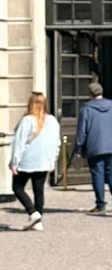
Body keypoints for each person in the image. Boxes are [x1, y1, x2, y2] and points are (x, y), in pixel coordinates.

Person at [73, 82, 112, 216]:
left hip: (95, 146)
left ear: (90, 94)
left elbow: (82, 131)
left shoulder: (86, 109)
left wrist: (79, 148)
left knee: (98, 174)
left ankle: (101, 204)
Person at [9, 92, 60, 232]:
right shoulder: (52, 120)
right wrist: (52, 160)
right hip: (44, 161)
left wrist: (14, 162)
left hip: (27, 160)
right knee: (39, 190)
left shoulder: (27, 120)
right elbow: (56, 143)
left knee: (17, 187)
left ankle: (32, 212)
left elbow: (19, 143)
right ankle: (38, 221)